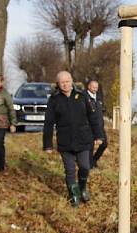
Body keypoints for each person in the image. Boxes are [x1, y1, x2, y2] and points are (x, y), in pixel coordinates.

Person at [43, 71, 103, 207]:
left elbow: (93, 117)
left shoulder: (81, 96)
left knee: (85, 167)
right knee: (69, 170)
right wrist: (47, 145)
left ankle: (82, 188)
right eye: (62, 82)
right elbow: (48, 123)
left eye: (67, 81)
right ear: (58, 84)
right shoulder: (54, 100)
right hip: (65, 141)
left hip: (83, 139)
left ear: (72, 81)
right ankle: (73, 195)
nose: (65, 84)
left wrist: (98, 135)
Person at [84, 79, 108, 168]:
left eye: (96, 87)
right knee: (90, 146)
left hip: (100, 125)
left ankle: (94, 160)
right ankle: (89, 165)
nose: (95, 89)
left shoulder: (98, 97)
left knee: (104, 144)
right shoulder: (84, 97)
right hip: (89, 126)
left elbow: (101, 108)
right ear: (89, 86)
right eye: (93, 87)